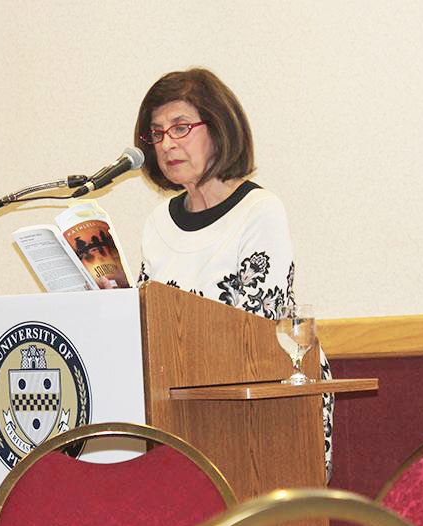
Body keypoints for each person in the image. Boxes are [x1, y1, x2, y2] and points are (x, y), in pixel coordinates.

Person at [134, 67, 334, 481]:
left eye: (181, 127)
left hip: (266, 408)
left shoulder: (259, 211)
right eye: (156, 133)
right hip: (180, 410)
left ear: (219, 128)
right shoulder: (157, 223)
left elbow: (256, 331)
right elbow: (148, 323)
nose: (167, 143)